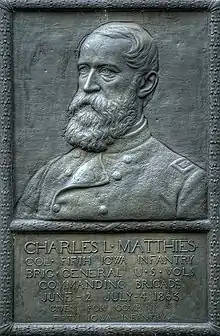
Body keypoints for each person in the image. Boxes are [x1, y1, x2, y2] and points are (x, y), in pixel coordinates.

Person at [15, 22, 207, 220]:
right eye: (83, 69)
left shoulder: (185, 184)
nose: (88, 85)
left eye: (107, 71)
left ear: (145, 83)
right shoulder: (47, 175)